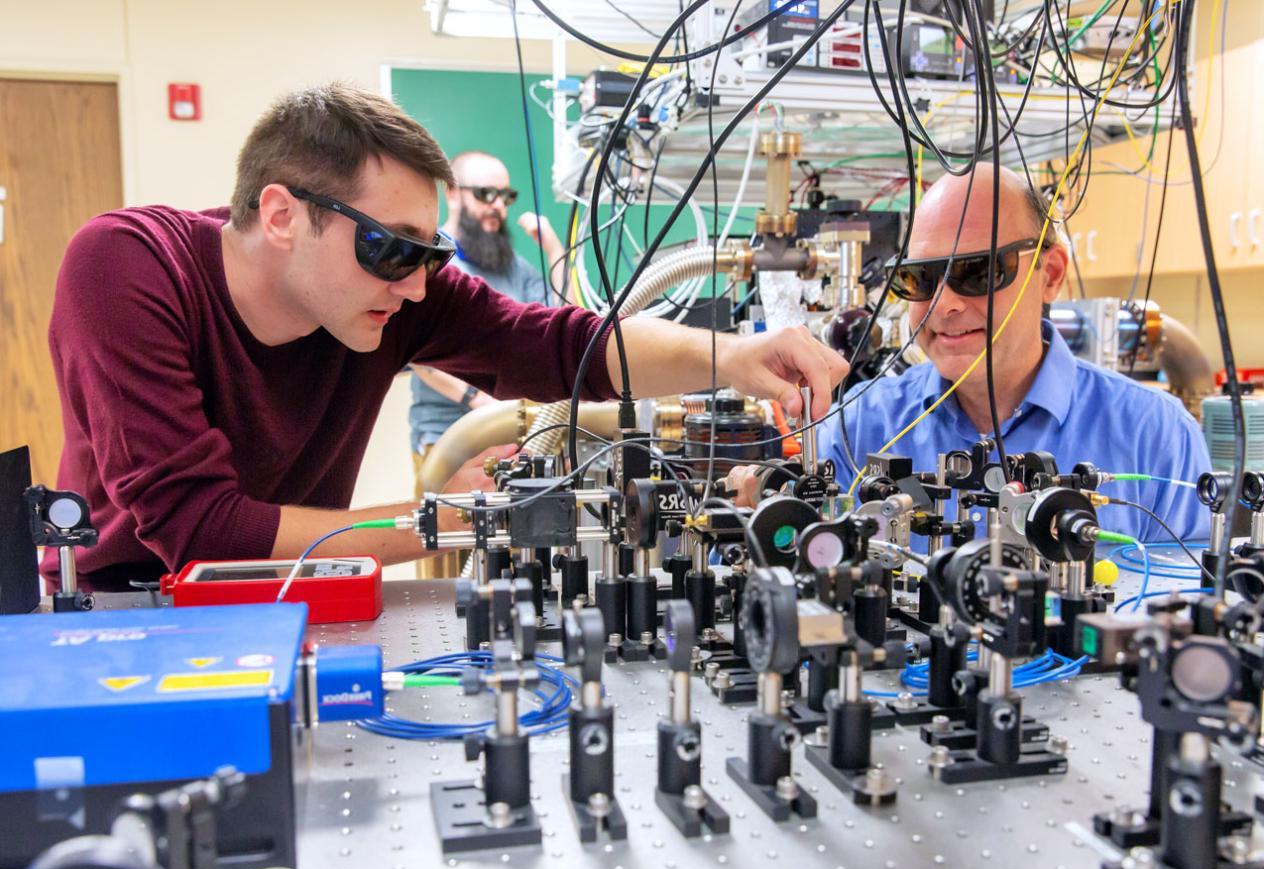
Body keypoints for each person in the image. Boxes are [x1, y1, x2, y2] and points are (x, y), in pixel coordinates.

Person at [44, 83, 847, 589]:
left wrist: (731, 359)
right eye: (392, 248)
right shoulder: (126, 269)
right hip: (124, 607)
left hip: (286, 592)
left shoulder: (393, 293)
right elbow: (199, 527)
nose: (417, 285)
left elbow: (559, 346)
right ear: (284, 215)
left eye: (428, 253)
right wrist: (461, 516)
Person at [730, 164, 1210, 543]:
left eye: (978, 271)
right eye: (918, 278)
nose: (945, 304)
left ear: (1050, 273)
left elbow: (1189, 619)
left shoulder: (1157, 438)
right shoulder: (861, 429)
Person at [408, 150, 565, 534]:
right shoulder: (432, 260)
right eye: (484, 195)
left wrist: (555, 250)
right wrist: (480, 402)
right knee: (447, 543)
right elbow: (418, 355)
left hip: (509, 438)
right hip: (447, 440)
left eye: (505, 197)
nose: (497, 207)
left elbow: (558, 328)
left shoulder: (515, 268)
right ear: (452, 193)